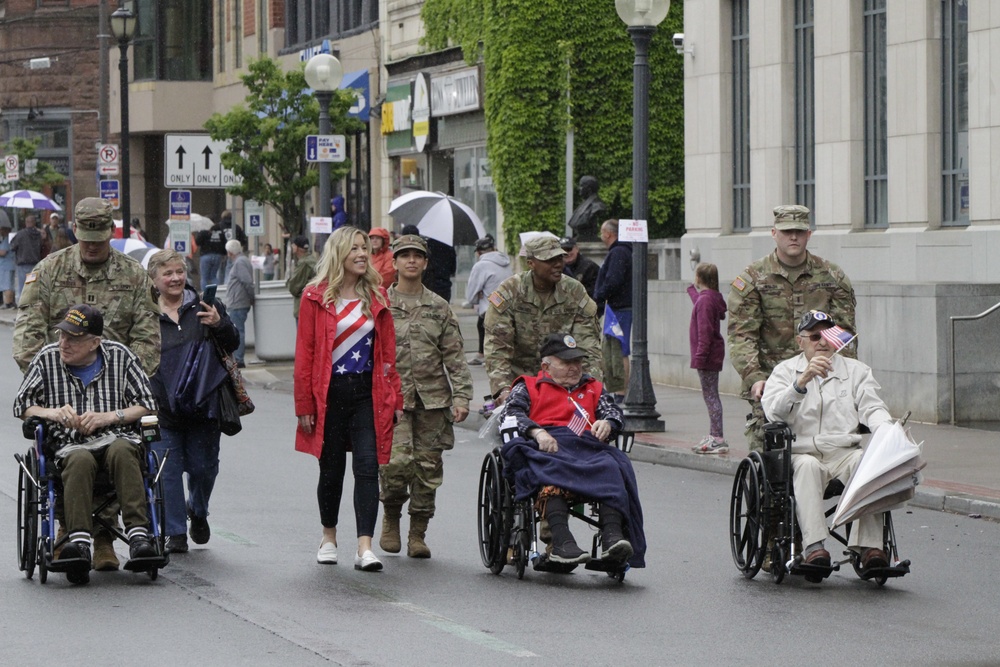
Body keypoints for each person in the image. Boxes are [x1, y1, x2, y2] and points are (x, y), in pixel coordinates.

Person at [12, 197, 161, 571]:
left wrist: (120, 379)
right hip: (60, 390)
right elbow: (28, 333)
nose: (92, 244)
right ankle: (72, 530)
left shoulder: (133, 275)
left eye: (99, 236)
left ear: (111, 232)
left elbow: (147, 337)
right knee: (72, 458)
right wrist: (49, 379)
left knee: (122, 449)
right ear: (74, 231)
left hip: (115, 388)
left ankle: (106, 537)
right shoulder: (49, 270)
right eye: (86, 236)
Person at [13, 304, 160, 585]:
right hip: (69, 447)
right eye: (62, 336)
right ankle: (78, 541)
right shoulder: (47, 359)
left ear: (95, 342)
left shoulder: (121, 357)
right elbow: (22, 405)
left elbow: (148, 405)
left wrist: (110, 417)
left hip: (116, 438)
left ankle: (139, 537)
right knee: (79, 458)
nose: (64, 344)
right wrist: (51, 412)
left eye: (73, 339)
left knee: (124, 450)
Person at [294, 226, 403, 572]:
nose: (361, 253)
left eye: (364, 249)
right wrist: (304, 406)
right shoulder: (314, 296)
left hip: (367, 395)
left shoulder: (378, 297)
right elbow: (305, 354)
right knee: (331, 470)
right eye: (354, 248)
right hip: (328, 395)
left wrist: (396, 398)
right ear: (339, 253)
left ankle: (364, 546)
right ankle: (329, 537)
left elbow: (388, 356)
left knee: (368, 467)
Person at [761, 310, 892, 574]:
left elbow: (872, 406)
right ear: (801, 342)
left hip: (843, 451)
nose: (822, 342)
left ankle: (869, 548)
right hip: (802, 451)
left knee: (866, 463)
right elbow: (773, 413)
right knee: (808, 466)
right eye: (814, 336)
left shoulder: (856, 371)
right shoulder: (785, 371)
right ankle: (814, 546)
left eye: (829, 335)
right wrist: (800, 382)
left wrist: (886, 430)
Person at [498, 332, 645, 567]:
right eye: (567, 363)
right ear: (546, 366)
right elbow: (510, 414)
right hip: (549, 444)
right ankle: (562, 542)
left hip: (587, 445)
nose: (575, 368)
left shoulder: (593, 387)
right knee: (549, 469)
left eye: (577, 361)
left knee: (613, 467)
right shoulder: (528, 386)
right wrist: (537, 432)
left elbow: (615, 412)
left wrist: (607, 423)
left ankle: (612, 537)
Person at [728, 204, 856, 452]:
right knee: (770, 453)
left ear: (809, 234)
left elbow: (844, 336)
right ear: (774, 233)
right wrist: (754, 377)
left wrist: (847, 380)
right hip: (771, 378)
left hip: (822, 377)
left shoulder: (832, 277)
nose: (794, 237)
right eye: (787, 232)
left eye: (799, 231)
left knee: (831, 448)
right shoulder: (754, 278)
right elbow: (742, 336)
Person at [381, 234, 473, 558]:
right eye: (404, 255)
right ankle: (391, 516)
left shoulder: (439, 307)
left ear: (425, 263)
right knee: (395, 465)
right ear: (393, 262)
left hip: (433, 400)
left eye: (417, 256)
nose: (411, 260)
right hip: (393, 400)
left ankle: (417, 533)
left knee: (427, 470)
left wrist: (462, 396)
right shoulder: (379, 304)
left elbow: (454, 356)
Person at [147, 249, 240, 554]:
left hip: (203, 406)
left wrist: (218, 323)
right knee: (167, 471)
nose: (175, 278)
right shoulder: (145, 314)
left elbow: (232, 343)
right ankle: (175, 532)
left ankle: (197, 511)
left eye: (179, 272)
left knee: (203, 469)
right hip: (162, 408)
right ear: (154, 279)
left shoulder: (206, 305)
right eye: (167, 274)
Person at [484, 235, 601, 404]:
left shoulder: (574, 291)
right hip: (519, 384)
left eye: (560, 258)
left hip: (563, 384)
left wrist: (593, 388)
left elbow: (589, 346)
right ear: (531, 263)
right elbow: (497, 347)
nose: (558, 264)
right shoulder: (510, 291)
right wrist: (503, 389)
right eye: (549, 260)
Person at [687, 263, 728, 454]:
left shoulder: (705, 301)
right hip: (712, 354)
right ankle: (714, 434)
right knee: (711, 395)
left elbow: (704, 331)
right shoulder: (710, 298)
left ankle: (717, 437)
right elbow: (701, 304)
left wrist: (700, 356)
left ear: (698, 278)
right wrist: (691, 292)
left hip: (707, 356)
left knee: (711, 396)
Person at [593, 219, 632, 401]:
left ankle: (620, 392)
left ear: (609, 233)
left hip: (619, 307)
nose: (601, 236)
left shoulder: (618, 253)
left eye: (602, 232)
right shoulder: (621, 251)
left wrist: (600, 294)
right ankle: (618, 390)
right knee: (614, 349)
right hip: (618, 307)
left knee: (618, 350)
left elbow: (613, 280)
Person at [464, 235, 512, 366]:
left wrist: (476, 297)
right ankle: (484, 354)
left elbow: (471, 294)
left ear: (478, 252)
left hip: (489, 306)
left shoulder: (481, 265)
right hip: (508, 304)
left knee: (485, 329)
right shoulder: (506, 262)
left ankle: (485, 355)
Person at [224, 239, 254, 368]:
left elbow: (246, 281)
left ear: (230, 252)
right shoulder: (244, 260)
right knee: (238, 329)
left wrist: (251, 297)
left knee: (237, 331)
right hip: (240, 301)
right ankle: (238, 357)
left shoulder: (239, 263)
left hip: (238, 302)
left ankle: (238, 358)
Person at [11, 213, 44, 302]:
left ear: (26, 222)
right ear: (34, 223)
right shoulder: (39, 234)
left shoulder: (20, 234)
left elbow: (13, 246)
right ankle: (31, 304)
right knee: (32, 286)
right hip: (35, 264)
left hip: (23, 264)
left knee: (22, 287)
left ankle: (23, 305)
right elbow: (42, 247)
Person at [567, 176, 609, 242]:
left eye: (581, 186)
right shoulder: (583, 204)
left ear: (589, 189)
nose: (579, 188)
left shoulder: (597, 205)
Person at [287, 235, 318, 320]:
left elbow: (293, 288)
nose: (292, 247)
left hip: (303, 307)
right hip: (313, 307)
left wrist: (289, 282)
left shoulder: (303, 263)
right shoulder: (313, 260)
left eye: (293, 245)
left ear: (297, 248)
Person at [196, 218, 228, 289]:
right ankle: (216, 293)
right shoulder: (220, 230)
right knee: (213, 276)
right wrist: (223, 253)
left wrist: (200, 234)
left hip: (206, 255)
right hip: (217, 255)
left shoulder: (204, 231)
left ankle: (205, 295)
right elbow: (224, 242)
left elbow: (197, 242)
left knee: (204, 277)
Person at [0, 222, 15, 308]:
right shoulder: (9, 239)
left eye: (1, 229)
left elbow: (3, 252)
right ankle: (9, 302)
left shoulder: (6, 240)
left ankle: (8, 303)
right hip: (8, 265)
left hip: (6, 266)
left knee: (7, 285)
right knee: (9, 284)